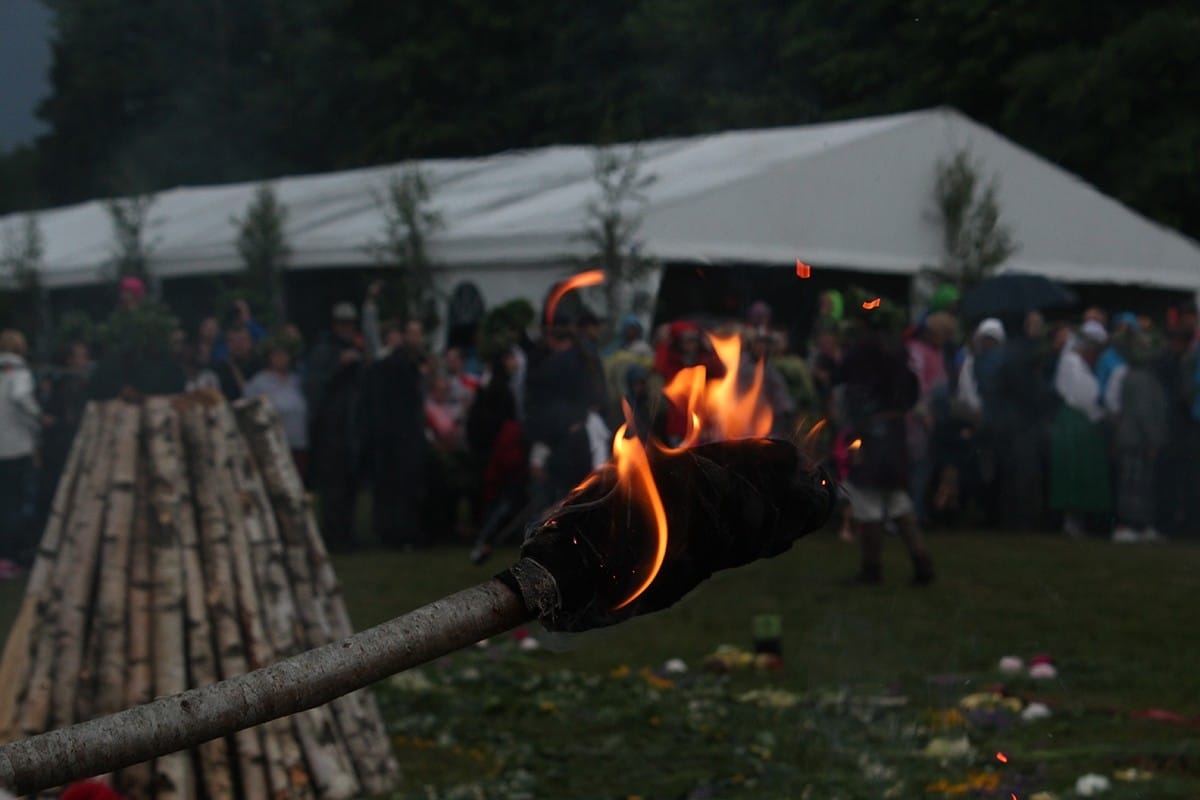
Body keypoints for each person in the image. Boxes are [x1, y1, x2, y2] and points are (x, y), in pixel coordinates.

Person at [837, 310, 934, 585]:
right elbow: (911, 391)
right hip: (894, 432)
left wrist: (856, 428)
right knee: (896, 500)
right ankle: (922, 563)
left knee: (868, 500)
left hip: (873, 432)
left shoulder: (864, 353)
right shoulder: (897, 351)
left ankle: (871, 568)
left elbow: (851, 388)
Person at [359, 321, 427, 549]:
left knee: (403, 488)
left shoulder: (411, 363)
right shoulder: (393, 365)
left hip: (403, 435)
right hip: (395, 437)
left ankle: (401, 532)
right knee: (396, 488)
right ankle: (396, 533)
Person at [304, 302, 366, 551]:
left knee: (349, 485)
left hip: (351, 428)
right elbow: (316, 387)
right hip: (330, 430)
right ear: (335, 325)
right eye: (342, 323)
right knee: (333, 487)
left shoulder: (355, 348)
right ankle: (333, 536)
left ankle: (347, 534)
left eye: (350, 323)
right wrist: (338, 365)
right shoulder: (323, 350)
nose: (347, 328)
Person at [1049, 320, 1112, 537]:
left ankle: (1080, 520)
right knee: (1074, 472)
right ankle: (1072, 521)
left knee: (1078, 471)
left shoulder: (1077, 362)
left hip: (1079, 421)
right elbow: (1085, 395)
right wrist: (1100, 414)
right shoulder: (1073, 362)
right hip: (1077, 421)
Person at [1106, 332, 1168, 543]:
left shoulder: (1135, 376)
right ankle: (1124, 526)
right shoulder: (1142, 379)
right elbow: (1143, 413)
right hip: (1136, 440)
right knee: (1131, 485)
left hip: (1133, 438)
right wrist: (1153, 440)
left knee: (1139, 486)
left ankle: (1140, 526)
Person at [0, 330, 42, 575]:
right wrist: (38, 418)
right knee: (18, 504)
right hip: (18, 448)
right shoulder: (19, 373)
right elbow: (20, 397)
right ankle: (14, 556)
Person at [244, 337, 309, 480]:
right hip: (274, 447)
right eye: (276, 354)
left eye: (284, 354)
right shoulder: (259, 382)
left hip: (298, 444)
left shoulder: (296, 380)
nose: (280, 358)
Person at [213, 323, 261, 401]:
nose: (238, 344)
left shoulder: (262, 364)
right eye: (232, 341)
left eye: (242, 339)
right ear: (227, 345)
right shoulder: (220, 370)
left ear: (250, 342)